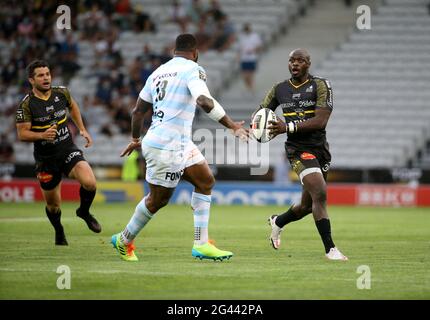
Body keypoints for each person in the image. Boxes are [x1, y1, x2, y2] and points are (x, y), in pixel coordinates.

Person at [111, 34, 249, 262]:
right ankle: (123, 240)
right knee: (158, 201)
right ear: (195, 53)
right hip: (166, 145)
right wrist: (232, 125)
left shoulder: (157, 73)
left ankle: (201, 244)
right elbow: (204, 101)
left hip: (177, 142)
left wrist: (136, 138)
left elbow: (137, 112)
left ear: (175, 50)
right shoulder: (193, 69)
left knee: (205, 181)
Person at [254, 49, 348, 261]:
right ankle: (330, 250)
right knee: (320, 194)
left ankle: (278, 221)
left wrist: (286, 126)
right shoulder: (279, 89)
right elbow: (260, 113)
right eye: (292, 61)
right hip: (297, 150)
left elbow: (321, 121)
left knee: (307, 206)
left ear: (308, 64)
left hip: (320, 149)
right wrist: (257, 127)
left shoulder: (321, 85)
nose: (295, 64)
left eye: (300, 61)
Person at [15, 60, 101, 246]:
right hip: (46, 159)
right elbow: (22, 134)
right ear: (31, 80)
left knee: (90, 183)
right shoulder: (26, 105)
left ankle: (84, 212)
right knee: (54, 206)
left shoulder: (61, 92)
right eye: (40, 75)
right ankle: (59, 230)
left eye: (47, 74)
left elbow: (73, 106)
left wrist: (82, 129)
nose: (46, 78)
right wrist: (42, 135)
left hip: (67, 149)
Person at [238, 23, 262, 96]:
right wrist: (239, 57)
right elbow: (240, 48)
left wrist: (252, 51)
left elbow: (259, 47)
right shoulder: (242, 37)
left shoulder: (255, 36)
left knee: (250, 75)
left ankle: (251, 90)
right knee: (244, 76)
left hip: (252, 58)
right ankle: (249, 89)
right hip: (243, 58)